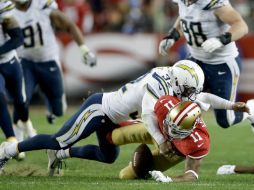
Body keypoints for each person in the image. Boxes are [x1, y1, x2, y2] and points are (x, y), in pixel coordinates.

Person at [0, 60, 249, 175]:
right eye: (187, 90)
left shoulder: (176, 80)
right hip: (101, 109)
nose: (189, 95)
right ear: (178, 81)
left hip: (117, 116)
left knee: (108, 157)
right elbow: (150, 117)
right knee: (59, 138)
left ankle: (61, 155)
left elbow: (203, 97)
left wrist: (231, 105)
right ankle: (9, 149)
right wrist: (162, 143)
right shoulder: (159, 84)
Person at [158, 0, 254, 130]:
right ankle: (185, 142)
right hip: (195, 60)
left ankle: (251, 109)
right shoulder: (183, 1)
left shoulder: (214, 4)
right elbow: (185, 16)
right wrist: (173, 35)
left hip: (221, 63)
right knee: (178, 104)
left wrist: (221, 40)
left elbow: (241, 26)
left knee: (226, 120)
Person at [11, 0, 96, 144]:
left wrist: (84, 49)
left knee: (59, 110)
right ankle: (16, 140)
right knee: (21, 98)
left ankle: (51, 107)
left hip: (48, 60)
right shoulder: (7, 10)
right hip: (25, 61)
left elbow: (69, 25)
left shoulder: (42, 5)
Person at [0, 1, 34, 146]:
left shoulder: (2, 7)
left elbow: (18, 38)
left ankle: (26, 123)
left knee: (20, 102)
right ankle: (12, 139)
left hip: (9, 62)